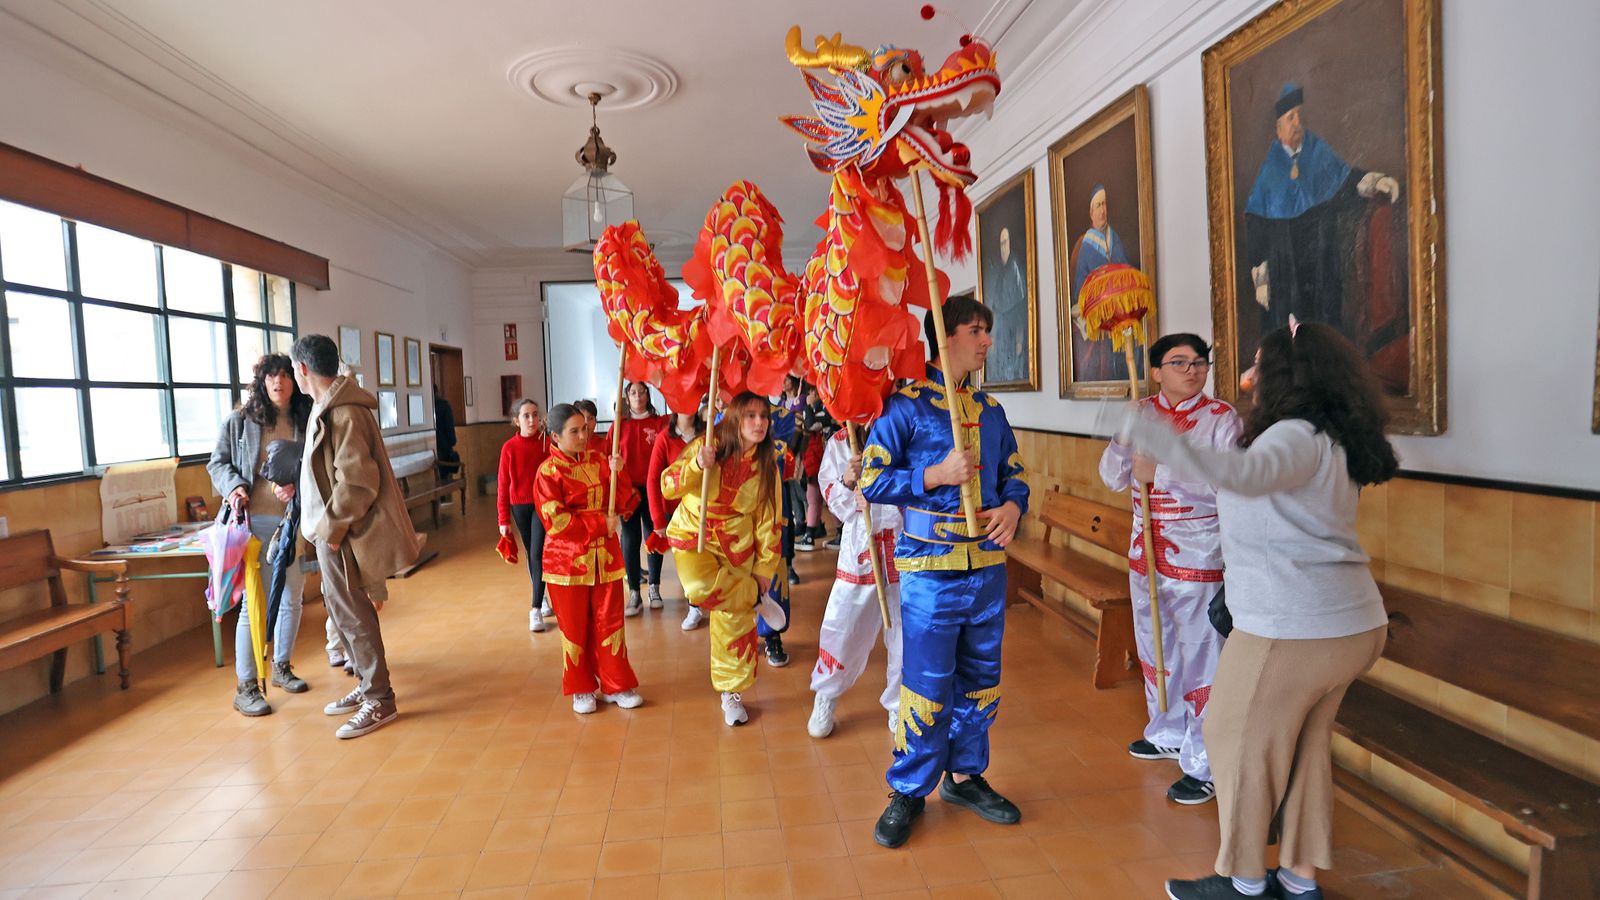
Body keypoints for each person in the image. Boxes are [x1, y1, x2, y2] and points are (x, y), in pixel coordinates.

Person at [1118, 323, 1398, 900]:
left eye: (1256, 365)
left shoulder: (1293, 435)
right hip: (1346, 624)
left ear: (1282, 376)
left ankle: (1242, 883)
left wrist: (1159, 441)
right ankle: (1297, 879)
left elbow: (1241, 476)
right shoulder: (1332, 432)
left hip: (1293, 627)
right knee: (1302, 750)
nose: (1246, 377)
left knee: (1233, 738)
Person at [861, 297, 1029, 848]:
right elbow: (872, 480)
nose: (986, 341)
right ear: (946, 335)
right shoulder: (906, 406)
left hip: (987, 570)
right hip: (930, 572)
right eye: (976, 330)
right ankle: (909, 787)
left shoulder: (992, 411)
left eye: (988, 330)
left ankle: (965, 775)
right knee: (928, 685)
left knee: (981, 682)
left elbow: (1015, 476)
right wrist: (933, 473)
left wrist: (1012, 507)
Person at [1099, 333, 1241, 806]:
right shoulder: (1141, 414)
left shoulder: (1221, 420)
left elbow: (1230, 485)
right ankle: (1168, 730)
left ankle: (1206, 762)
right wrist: (1124, 444)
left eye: (1199, 362)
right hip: (1146, 550)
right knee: (1154, 642)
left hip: (1197, 552)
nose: (1192, 370)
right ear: (1156, 370)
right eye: (1178, 362)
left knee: (1202, 652)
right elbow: (1111, 476)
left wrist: (1160, 473)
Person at [291, 334, 425, 740]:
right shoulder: (326, 406)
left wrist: (333, 529)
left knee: (353, 612)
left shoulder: (345, 411)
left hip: (340, 533)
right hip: (328, 532)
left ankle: (379, 699)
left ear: (303, 370)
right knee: (341, 610)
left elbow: (357, 481)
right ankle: (367, 687)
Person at [661, 391, 788, 727]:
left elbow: (769, 518)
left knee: (734, 621)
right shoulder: (708, 444)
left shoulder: (766, 463)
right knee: (700, 588)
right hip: (695, 535)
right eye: (750, 416)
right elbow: (667, 486)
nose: (759, 423)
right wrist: (696, 465)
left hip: (739, 544)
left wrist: (763, 570)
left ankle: (731, 693)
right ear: (734, 417)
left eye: (764, 416)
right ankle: (753, 599)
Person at [1244, 83, 1401, 336]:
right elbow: (1256, 223)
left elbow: (1344, 179)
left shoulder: (1317, 152)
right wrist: (1260, 277)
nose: (1297, 122)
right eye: (1290, 117)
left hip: (1321, 254)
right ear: (1279, 128)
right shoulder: (1270, 169)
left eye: (1299, 116)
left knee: (1326, 321)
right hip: (1285, 264)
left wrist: (1375, 182)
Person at [206, 353, 313, 717]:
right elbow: (217, 463)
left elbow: (315, 465)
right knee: (254, 607)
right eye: (271, 377)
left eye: (285, 376)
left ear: (295, 381)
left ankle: (281, 666)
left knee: (293, 597)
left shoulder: (306, 418)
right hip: (254, 525)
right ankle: (246, 686)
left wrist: (297, 488)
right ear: (262, 383)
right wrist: (235, 487)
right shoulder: (241, 420)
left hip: (293, 522)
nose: (278, 383)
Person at [534, 404, 644, 714]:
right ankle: (581, 688)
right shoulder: (547, 473)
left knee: (611, 623)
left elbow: (625, 503)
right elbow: (554, 521)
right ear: (555, 437)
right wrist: (599, 525)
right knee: (574, 627)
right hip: (566, 564)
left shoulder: (600, 461)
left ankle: (616, 683)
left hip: (606, 558)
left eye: (585, 428)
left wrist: (620, 474)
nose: (584, 435)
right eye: (575, 431)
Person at [808, 425, 904, 739]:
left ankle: (899, 703)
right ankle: (827, 693)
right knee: (844, 626)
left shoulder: (905, 425)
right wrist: (849, 480)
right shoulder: (841, 440)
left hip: (906, 543)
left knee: (906, 632)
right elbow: (835, 502)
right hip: (861, 547)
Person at [613, 381, 671, 617]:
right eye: (633, 392)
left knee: (654, 535)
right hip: (628, 490)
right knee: (629, 538)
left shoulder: (660, 423)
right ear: (627, 397)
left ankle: (654, 588)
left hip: (653, 489)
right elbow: (609, 454)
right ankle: (634, 592)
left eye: (642, 392)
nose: (638, 396)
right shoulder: (619, 426)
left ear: (648, 395)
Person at [647, 410, 705, 630]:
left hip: (701, 510)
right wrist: (657, 520)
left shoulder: (707, 434)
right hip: (674, 511)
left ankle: (697, 603)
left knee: (701, 559)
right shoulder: (664, 438)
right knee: (687, 561)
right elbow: (653, 479)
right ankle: (694, 606)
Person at [498, 399, 553, 632]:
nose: (532, 420)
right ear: (516, 420)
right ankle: (541, 596)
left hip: (543, 505)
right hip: (520, 506)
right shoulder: (509, 447)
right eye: (526, 416)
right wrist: (503, 520)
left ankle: (535, 609)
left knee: (538, 551)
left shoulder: (548, 443)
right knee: (533, 553)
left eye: (535, 414)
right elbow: (503, 484)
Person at [1070, 184, 1134, 382]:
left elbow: (1126, 271)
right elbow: (1081, 285)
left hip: (1120, 311)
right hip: (1097, 312)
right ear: (1091, 212)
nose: (1102, 210)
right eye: (1098, 205)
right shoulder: (1086, 243)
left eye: (1104, 204)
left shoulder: (1114, 238)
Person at [983, 225, 1029, 385]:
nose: (1003, 247)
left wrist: (1018, 339)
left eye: (1005, 242)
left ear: (1010, 243)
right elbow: (996, 304)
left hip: (1012, 330)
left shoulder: (1014, 267)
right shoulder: (1001, 270)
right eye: (1001, 243)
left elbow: (1018, 304)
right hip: (1002, 331)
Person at [433, 385, 460, 482]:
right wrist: (452, 441)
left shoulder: (426, 406)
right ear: (437, 392)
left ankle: (442, 497)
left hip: (433, 448)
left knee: (439, 479)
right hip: (444, 449)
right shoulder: (444, 406)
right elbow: (449, 428)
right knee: (446, 479)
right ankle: (445, 497)